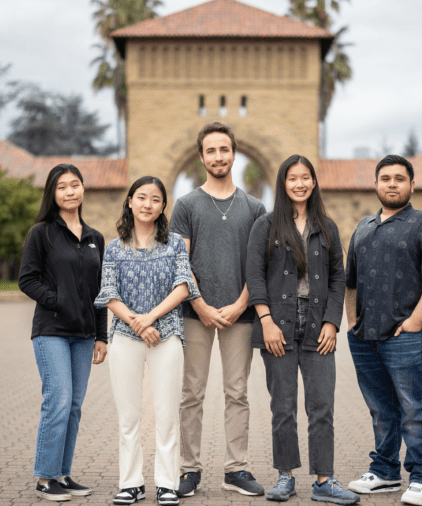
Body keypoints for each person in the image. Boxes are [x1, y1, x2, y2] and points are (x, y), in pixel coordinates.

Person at [246, 155, 358, 505]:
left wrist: (331, 322)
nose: (299, 183)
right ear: (283, 183)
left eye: (305, 177)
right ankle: (285, 476)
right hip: (277, 324)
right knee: (283, 407)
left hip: (317, 326)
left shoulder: (327, 226)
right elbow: (254, 275)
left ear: (313, 182)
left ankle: (325, 480)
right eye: (292, 178)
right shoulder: (265, 226)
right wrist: (266, 322)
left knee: (321, 406)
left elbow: (338, 277)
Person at [344, 155, 422, 506]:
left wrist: (416, 321)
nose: (392, 184)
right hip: (365, 336)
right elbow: (350, 283)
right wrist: (351, 324)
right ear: (376, 184)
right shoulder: (362, 227)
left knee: (413, 406)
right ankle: (386, 471)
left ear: (412, 185)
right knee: (381, 407)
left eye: (399, 179)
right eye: (385, 178)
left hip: (406, 335)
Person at [170, 122, 267, 498]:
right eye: (211, 151)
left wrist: (242, 302)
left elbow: (258, 264)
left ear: (234, 153)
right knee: (191, 392)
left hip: (239, 314)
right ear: (201, 157)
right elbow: (181, 260)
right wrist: (201, 304)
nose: (218, 156)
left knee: (237, 392)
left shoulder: (254, 207)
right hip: (196, 314)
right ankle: (189, 470)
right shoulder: (187, 205)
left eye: (224, 149)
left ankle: (236, 469)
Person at [94, 176, 200, 506]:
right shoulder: (113, 247)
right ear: (129, 201)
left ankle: (167, 484)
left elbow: (184, 287)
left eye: (155, 199)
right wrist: (138, 324)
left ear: (162, 207)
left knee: (167, 415)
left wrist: (150, 318)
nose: (147, 204)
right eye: (141, 197)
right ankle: (131, 483)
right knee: (129, 417)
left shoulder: (174, 245)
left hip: (166, 336)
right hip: (125, 337)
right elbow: (108, 292)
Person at [18, 163, 108, 502]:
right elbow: (27, 279)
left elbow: (101, 291)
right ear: (52, 194)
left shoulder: (95, 237)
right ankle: (45, 478)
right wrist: (58, 301)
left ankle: (63, 474)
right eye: (62, 187)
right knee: (57, 401)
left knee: (74, 406)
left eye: (75, 185)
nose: (70, 191)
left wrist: (102, 336)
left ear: (83, 189)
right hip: (52, 330)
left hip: (84, 337)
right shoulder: (42, 233)